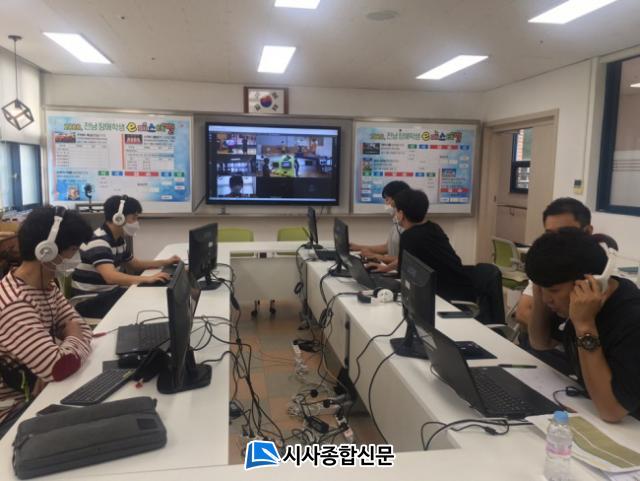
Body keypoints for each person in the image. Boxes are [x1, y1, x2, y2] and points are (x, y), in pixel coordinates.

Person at [525, 228, 640, 422]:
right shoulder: (574, 300)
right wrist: (540, 286)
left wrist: (585, 326)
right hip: (591, 409)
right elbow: (540, 342)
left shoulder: (632, 319)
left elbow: (611, 410)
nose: (546, 299)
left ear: (591, 282)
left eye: (553, 290)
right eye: (542, 290)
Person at [0, 207, 94, 437]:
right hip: (12, 413)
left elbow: (83, 328)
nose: (75, 258)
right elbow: (59, 367)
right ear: (47, 250)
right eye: (73, 250)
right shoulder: (14, 304)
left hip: (40, 393)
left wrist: (64, 350)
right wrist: (68, 342)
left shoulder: (46, 287)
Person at [71, 195, 180, 318]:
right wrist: (147, 279)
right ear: (119, 218)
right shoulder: (99, 241)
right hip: (90, 299)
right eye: (134, 218)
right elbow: (110, 277)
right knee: (147, 304)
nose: (137, 222)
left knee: (148, 296)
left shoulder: (118, 240)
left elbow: (135, 264)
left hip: (108, 293)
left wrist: (166, 262)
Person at [515, 198, 594, 327]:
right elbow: (523, 312)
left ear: (588, 232)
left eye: (565, 234)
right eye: (550, 235)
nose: (556, 242)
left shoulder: (599, 267)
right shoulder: (547, 264)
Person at [394, 189, 474, 303]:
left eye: (396, 211)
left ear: (401, 214)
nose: (395, 215)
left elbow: (403, 275)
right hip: (461, 288)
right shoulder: (434, 227)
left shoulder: (408, 236)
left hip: (443, 297)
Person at [350, 180, 409, 273]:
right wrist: (359, 247)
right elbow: (387, 247)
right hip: (392, 270)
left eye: (387, 199)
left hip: (399, 273)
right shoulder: (396, 222)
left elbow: (406, 260)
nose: (386, 204)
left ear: (398, 200)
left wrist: (377, 257)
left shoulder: (407, 226)